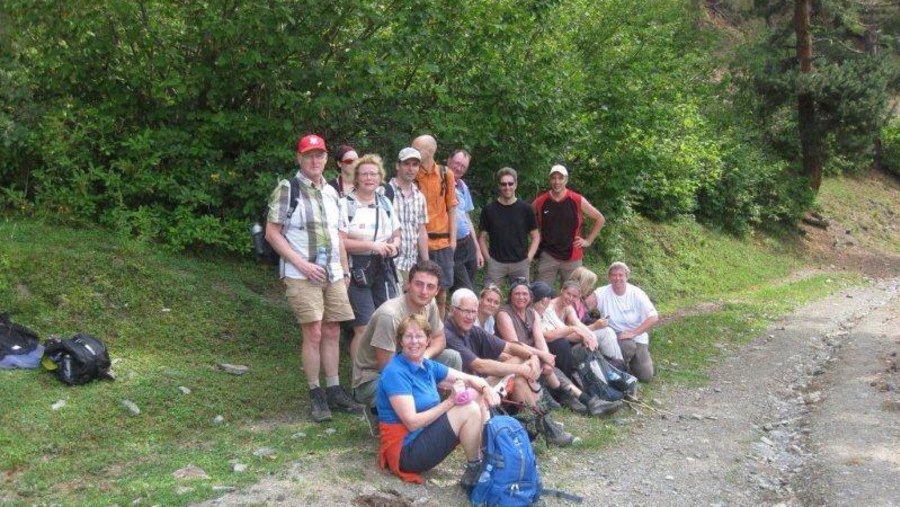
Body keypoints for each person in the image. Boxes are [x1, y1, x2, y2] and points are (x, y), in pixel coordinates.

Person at [265, 133, 363, 422]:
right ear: (299, 158)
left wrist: (344, 271)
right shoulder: (288, 188)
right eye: (309, 155)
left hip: (332, 272)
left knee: (332, 330)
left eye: (319, 155)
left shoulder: (333, 193)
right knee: (314, 332)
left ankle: (334, 389)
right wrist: (301, 264)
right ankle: (316, 394)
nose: (315, 160)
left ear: (326, 158)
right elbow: (272, 233)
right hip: (300, 272)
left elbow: (338, 236)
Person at [377, 313, 499, 487]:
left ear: (428, 340)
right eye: (408, 336)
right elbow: (411, 423)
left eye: (419, 336)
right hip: (404, 452)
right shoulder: (395, 372)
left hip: (422, 436)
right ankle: (476, 469)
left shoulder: (426, 365)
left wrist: (486, 389)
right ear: (400, 341)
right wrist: (450, 402)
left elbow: (471, 379)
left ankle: (487, 457)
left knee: (477, 396)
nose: (414, 341)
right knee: (467, 409)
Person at [444, 288, 575, 446]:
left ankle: (541, 424)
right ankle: (543, 422)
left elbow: (510, 346)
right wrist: (521, 367)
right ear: (452, 310)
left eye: (473, 312)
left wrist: (532, 356)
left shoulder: (473, 330)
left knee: (518, 373)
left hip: (480, 389)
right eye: (466, 312)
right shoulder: (448, 333)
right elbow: (480, 365)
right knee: (517, 365)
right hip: (462, 397)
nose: (471, 317)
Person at [352, 260, 463, 411]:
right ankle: (391, 417)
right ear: (408, 284)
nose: (424, 291)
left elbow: (439, 338)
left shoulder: (429, 304)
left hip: (411, 363)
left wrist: (425, 358)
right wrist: (423, 375)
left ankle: (441, 414)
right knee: (419, 392)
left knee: (452, 357)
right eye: (419, 284)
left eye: (430, 287)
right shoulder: (390, 315)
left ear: (437, 291)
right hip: (373, 379)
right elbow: (388, 369)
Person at [495, 280, 617, 416]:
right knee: (554, 363)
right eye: (517, 294)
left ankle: (585, 401)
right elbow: (515, 345)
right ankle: (580, 399)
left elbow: (539, 339)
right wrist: (542, 355)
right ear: (511, 295)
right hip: (516, 357)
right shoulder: (504, 314)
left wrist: (547, 358)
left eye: (524, 294)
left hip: (532, 354)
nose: (521, 297)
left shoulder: (532, 313)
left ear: (530, 296)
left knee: (553, 368)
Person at [339, 154, 401, 366]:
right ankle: (360, 378)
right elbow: (341, 242)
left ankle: (386, 374)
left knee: (388, 322)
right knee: (363, 327)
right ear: (356, 177)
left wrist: (395, 246)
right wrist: (371, 245)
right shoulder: (345, 204)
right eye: (364, 174)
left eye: (373, 174)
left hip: (383, 268)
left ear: (380, 177)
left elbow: (397, 233)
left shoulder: (385, 202)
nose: (369, 178)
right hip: (356, 268)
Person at [532, 164, 606, 287]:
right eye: (553, 178)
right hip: (548, 255)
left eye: (560, 178)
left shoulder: (576, 199)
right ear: (550, 180)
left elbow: (600, 218)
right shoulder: (541, 201)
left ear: (566, 180)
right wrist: (536, 233)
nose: (557, 182)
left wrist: (588, 241)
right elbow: (528, 216)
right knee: (540, 292)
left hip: (573, 256)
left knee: (572, 293)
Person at [586, 262, 659, 381]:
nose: (617, 278)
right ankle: (616, 371)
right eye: (614, 275)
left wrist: (634, 332)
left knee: (646, 376)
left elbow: (654, 316)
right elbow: (585, 306)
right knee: (627, 345)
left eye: (621, 275)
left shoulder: (636, 293)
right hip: (615, 337)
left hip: (637, 337)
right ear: (609, 277)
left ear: (626, 276)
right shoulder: (602, 292)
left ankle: (636, 363)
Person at [412, 135, 458, 318]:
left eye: (418, 149)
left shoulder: (446, 174)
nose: (414, 153)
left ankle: (439, 329)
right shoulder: (413, 174)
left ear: (430, 151)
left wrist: (453, 240)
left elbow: (452, 208)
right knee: (419, 290)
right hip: (419, 242)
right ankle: (419, 326)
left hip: (442, 242)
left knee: (442, 290)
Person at [479, 167, 539, 287]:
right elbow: (482, 237)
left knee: (521, 299)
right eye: (503, 184)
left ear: (515, 185)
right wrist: (488, 260)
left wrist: (529, 259)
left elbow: (536, 236)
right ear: (499, 186)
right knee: (489, 297)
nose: (507, 187)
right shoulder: (489, 210)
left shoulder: (525, 209)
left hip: (520, 263)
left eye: (510, 183)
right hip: (496, 263)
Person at [385, 147, 430, 285]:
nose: (411, 169)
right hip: (390, 264)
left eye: (415, 164)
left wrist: (427, 264)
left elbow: (421, 232)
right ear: (398, 166)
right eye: (406, 164)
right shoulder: (384, 192)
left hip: (412, 266)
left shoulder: (420, 197)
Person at [568, 267, 625, 368]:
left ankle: (617, 367)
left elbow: (584, 321)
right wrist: (595, 326)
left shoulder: (580, 301)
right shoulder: (569, 303)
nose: (591, 289)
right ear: (583, 284)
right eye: (589, 285)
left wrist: (597, 322)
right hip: (571, 345)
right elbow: (571, 332)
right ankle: (618, 367)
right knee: (606, 332)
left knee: (607, 330)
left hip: (582, 338)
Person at [448, 149, 483, 292]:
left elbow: (467, 217)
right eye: (457, 163)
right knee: (465, 291)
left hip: (468, 244)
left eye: (463, 166)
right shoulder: (439, 183)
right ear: (448, 161)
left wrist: (477, 249)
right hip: (452, 247)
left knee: (470, 289)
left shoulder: (463, 186)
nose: (459, 168)